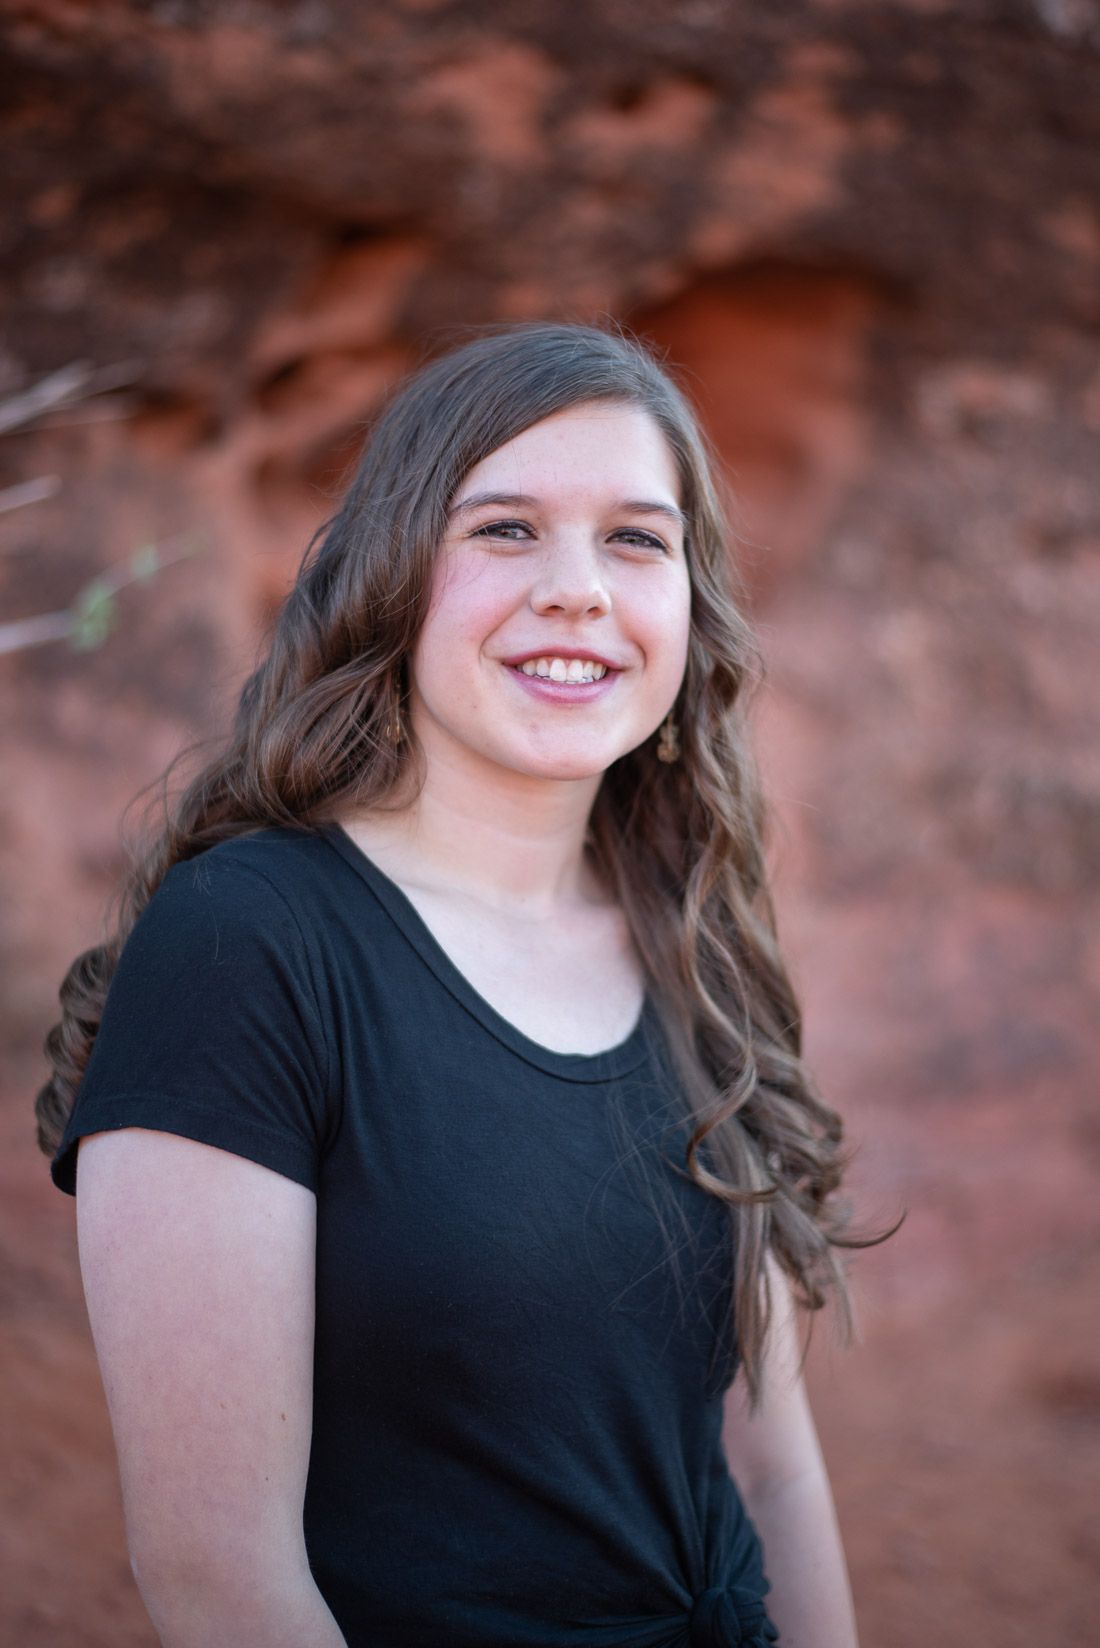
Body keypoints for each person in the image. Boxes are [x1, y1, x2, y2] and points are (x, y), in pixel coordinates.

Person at [38, 319, 897, 1648]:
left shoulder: (691, 947)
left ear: (688, 605)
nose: (580, 589)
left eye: (636, 538)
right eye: (504, 529)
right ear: (392, 576)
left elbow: (773, 1469)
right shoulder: (249, 944)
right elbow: (218, 1577)